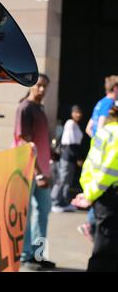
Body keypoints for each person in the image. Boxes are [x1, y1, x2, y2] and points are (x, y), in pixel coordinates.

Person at [14, 73, 56, 271]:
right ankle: (26, 256)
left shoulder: (40, 108)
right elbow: (24, 142)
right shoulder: (25, 108)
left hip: (43, 171)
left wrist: (51, 159)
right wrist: (39, 173)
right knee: (28, 212)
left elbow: (39, 141)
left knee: (43, 212)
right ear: (31, 85)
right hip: (30, 170)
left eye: (45, 86)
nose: (42, 89)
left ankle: (38, 255)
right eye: (39, 85)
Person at [71, 102, 118, 271]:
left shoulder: (105, 132)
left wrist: (89, 191)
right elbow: (109, 171)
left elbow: (91, 164)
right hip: (111, 196)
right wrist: (91, 194)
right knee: (106, 251)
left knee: (104, 246)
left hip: (101, 196)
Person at [81, 75, 118, 241]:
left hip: (96, 155)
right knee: (103, 191)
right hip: (107, 155)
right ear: (115, 88)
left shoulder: (99, 103)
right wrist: (106, 140)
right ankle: (90, 225)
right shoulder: (110, 104)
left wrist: (98, 141)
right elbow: (103, 126)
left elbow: (90, 128)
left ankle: (90, 224)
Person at [51, 105, 84, 212]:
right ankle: (54, 201)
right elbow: (70, 144)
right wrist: (79, 158)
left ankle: (64, 202)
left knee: (68, 181)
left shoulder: (76, 125)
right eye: (76, 112)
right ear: (72, 113)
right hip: (67, 157)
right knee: (62, 179)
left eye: (79, 112)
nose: (78, 114)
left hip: (72, 158)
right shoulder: (70, 123)